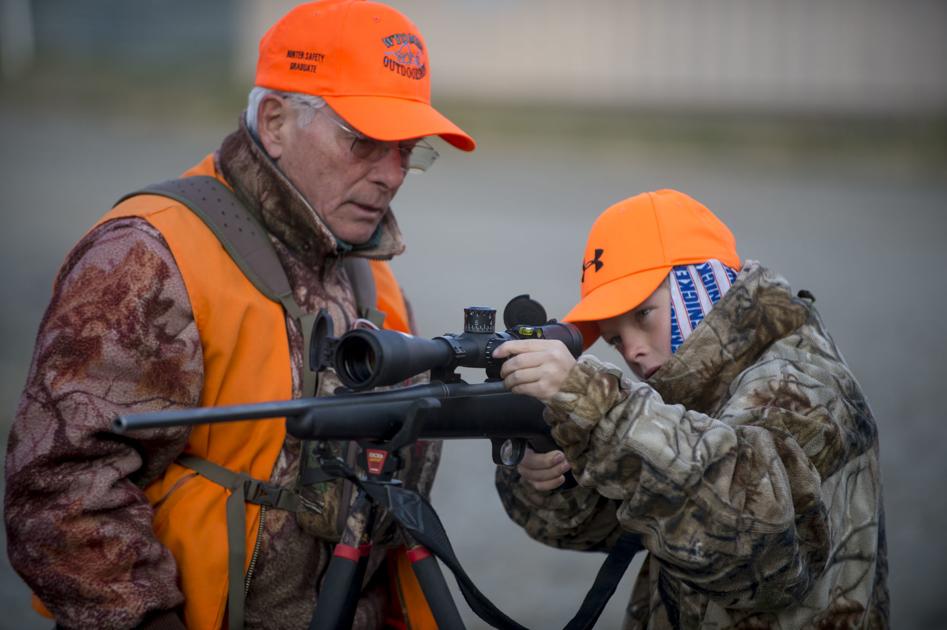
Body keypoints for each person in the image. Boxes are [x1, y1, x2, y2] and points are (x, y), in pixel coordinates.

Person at [4, 2, 474, 629]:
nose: (392, 175)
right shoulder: (149, 255)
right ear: (275, 121)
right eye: (363, 140)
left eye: (407, 149)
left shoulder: (365, 270)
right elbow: (61, 493)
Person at [493, 189, 888, 628]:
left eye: (643, 315)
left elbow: (755, 552)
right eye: (616, 340)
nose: (634, 353)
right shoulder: (685, 396)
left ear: (701, 282)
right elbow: (604, 525)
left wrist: (599, 408)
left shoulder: (802, 381)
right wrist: (553, 467)